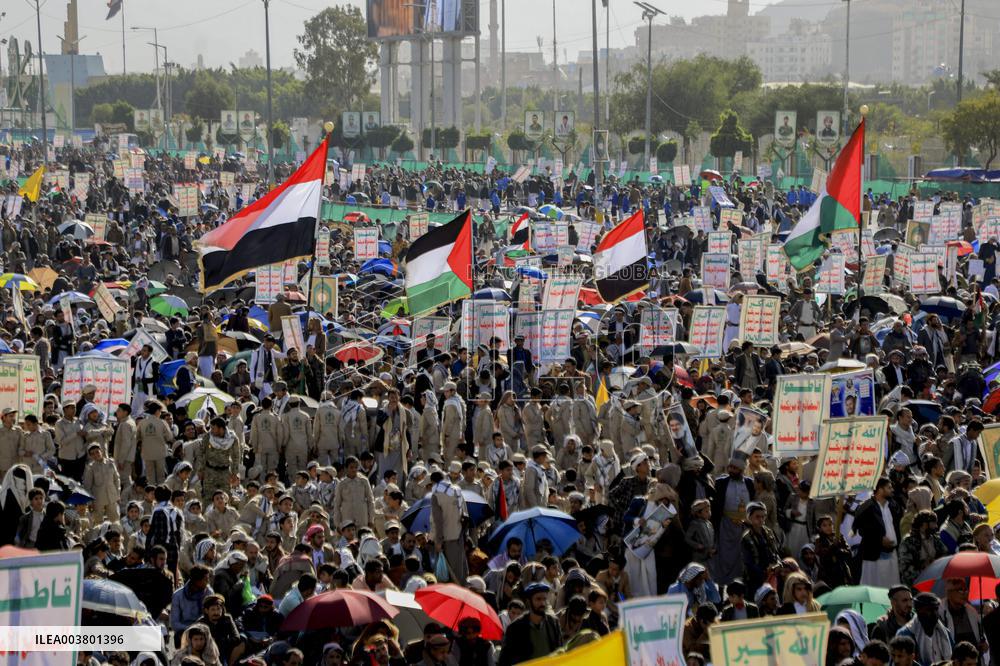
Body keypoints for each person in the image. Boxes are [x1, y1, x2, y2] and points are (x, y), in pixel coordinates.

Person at [498, 583, 561, 665]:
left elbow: (560, 651)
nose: (542, 603)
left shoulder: (553, 623)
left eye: (545, 599)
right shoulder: (515, 628)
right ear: (529, 601)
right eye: (538, 599)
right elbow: (504, 660)